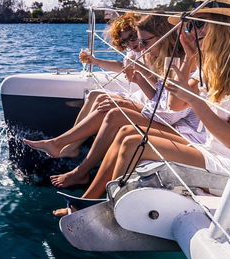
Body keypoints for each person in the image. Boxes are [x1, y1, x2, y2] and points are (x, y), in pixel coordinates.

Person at [53, 0, 230, 216]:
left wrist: (195, 100)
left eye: (200, 23)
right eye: (191, 25)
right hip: (209, 148)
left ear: (227, 27)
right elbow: (175, 105)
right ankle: (88, 201)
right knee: (128, 133)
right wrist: (188, 57)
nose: (193, 31)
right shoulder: (211, 64)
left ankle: (107, 210)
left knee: (133, 143)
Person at [26, 14, 203, 187]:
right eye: (127, 42)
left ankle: (71, 156)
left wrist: (142, 77)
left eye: (137, 38)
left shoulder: (173, 61)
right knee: (99, 97)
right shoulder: (153, 54)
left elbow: (167, 107)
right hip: (159, 108)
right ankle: (70, 145)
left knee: (112, 110)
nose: (136, 45)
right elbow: (160, 96)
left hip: (167, 117)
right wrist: (134, 75)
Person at [23, 12, 151, 159]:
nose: (130, 43)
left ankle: (61, 145)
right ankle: (71, 147)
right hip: (140, 95)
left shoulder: (151, 50)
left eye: (132, 37)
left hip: (147, 99)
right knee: (94, 94)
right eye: (125, 42)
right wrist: (94, 61)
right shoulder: (136, 52)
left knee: (104, 105)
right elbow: (124, 66)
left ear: (141, 32)